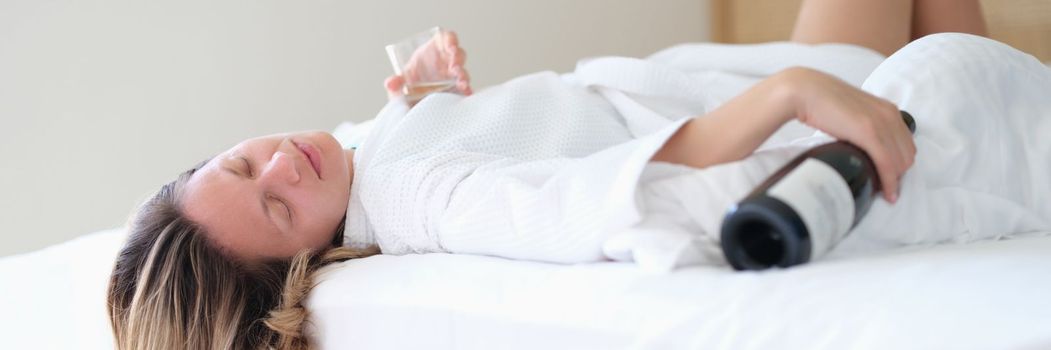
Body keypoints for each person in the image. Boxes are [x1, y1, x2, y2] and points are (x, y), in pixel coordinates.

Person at [107, 0, 1048, 349]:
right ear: (300, 267)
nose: (280, 161)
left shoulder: (364, 165)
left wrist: (435, 95)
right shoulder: (410, 200)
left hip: (717, 73)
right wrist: (788, 97)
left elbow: (486, 146)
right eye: (276, 203)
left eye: (241, 158)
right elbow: (574, 202)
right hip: (755, 96)